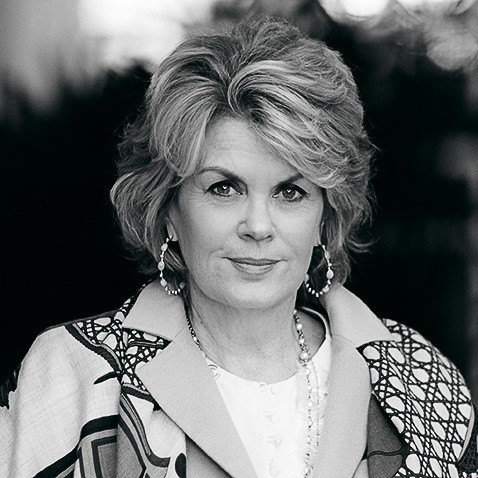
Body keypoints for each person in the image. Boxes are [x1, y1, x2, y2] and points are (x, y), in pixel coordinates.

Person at [1, 16, 477, 478]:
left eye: (290, 192)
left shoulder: (421, 379)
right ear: (167, 207)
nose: (258, 226)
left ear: (326, 216)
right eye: (224, 188)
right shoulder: (73, 375)